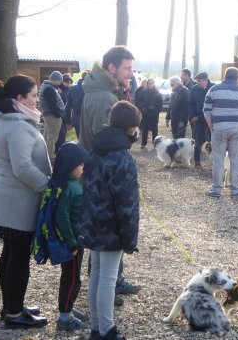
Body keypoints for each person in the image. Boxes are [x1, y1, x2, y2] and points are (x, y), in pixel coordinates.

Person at [0, 75, 50, 329]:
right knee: (18, 257)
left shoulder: (7, 118)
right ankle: (14, 314)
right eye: (33, 95)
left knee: (10, 253)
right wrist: (48, 187)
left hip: (6, 200)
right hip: (16, 202)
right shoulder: (18, 125)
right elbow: (22, 167)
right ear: (19, 99)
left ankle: (11, 305)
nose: (37, 100)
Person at [79, 45, 141, 301]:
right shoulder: (104, 97)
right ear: (112, 67)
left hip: (97, 172)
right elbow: (104, 141)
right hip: (103, 175)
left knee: (106, 229)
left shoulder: (100, 90)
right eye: (127, 68)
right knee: (107, 231)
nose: (130, 73)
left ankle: (114, 280)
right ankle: (107, 285)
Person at [80, 101, 141, 340]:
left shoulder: (96, 149)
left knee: (96, 274)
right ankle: (105, 329)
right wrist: (129, 238)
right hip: (111, 227)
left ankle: (97, 325)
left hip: (92, 221)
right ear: (131, 129)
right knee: (107, 278)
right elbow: (127, 205)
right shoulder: (123, 159)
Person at [48, 143, 91, 331]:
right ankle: (64, 317)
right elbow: (61, 217)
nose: (83, 168)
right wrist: (72, 242)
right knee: (72, 278)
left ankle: (69, 309)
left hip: (76, 239)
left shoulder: (72, 184)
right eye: (81, 165)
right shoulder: (68, 187)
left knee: (74, 276)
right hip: (71, 242)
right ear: (72, 164)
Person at [203, 67, 238, 198]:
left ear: (225, 76)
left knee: (218, 160)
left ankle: (216, 190)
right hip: (237, 129)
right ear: (237, 78)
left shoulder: (213, 90)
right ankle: (235, 190)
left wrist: (211, 126)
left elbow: (206, 110)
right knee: (236, 160)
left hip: (218, 129)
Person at [39, 70, 65, 163]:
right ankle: (50, 156)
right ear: (55, 80)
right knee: (52, 136)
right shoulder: (49, 89)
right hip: (52, 115)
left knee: (47, 134)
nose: (60, 83)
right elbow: (52, 104)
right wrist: (58, 114)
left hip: (48, 114)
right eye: (59, 81)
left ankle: (44, 153)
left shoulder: (45, 86)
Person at [188, 72, 213, 167]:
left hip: (211, 119)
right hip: (197, 120)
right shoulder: (194, 89)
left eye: (199, 81)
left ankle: (213, 160)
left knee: (213, 141)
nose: (197, 83)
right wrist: (192, 116)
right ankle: (197, 160)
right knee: (198, 140)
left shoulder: (213, 88)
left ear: (205, 80)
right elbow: (190, 104)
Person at [138, 78, 163, 148]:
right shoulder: (143, 92)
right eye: (149, 83)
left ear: (154, 83)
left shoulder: (158, 92)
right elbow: (139, 101)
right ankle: (143, 143)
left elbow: (160, 104)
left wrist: (155, 110)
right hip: (145, 112)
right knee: (145, 128)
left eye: (151, 83)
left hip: (154, 113)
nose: (150, 84)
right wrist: (143, 107)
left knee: (154, 128)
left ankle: (155, 142)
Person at [65, 69, 90, 138]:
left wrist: (68, 122)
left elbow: (67, 107)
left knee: (81, 141)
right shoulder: (91, 89)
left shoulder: (72, 89)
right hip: (89, 119)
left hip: (76, 119)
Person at [55, 73, 74, 152]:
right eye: (67, 82)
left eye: (70, 82)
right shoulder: (58, 90)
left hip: (66, 114)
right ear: (63, 82)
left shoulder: (69, 90)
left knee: (64, 134)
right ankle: (57, 150)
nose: (68, 84)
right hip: (60, 114)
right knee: (60, 134)